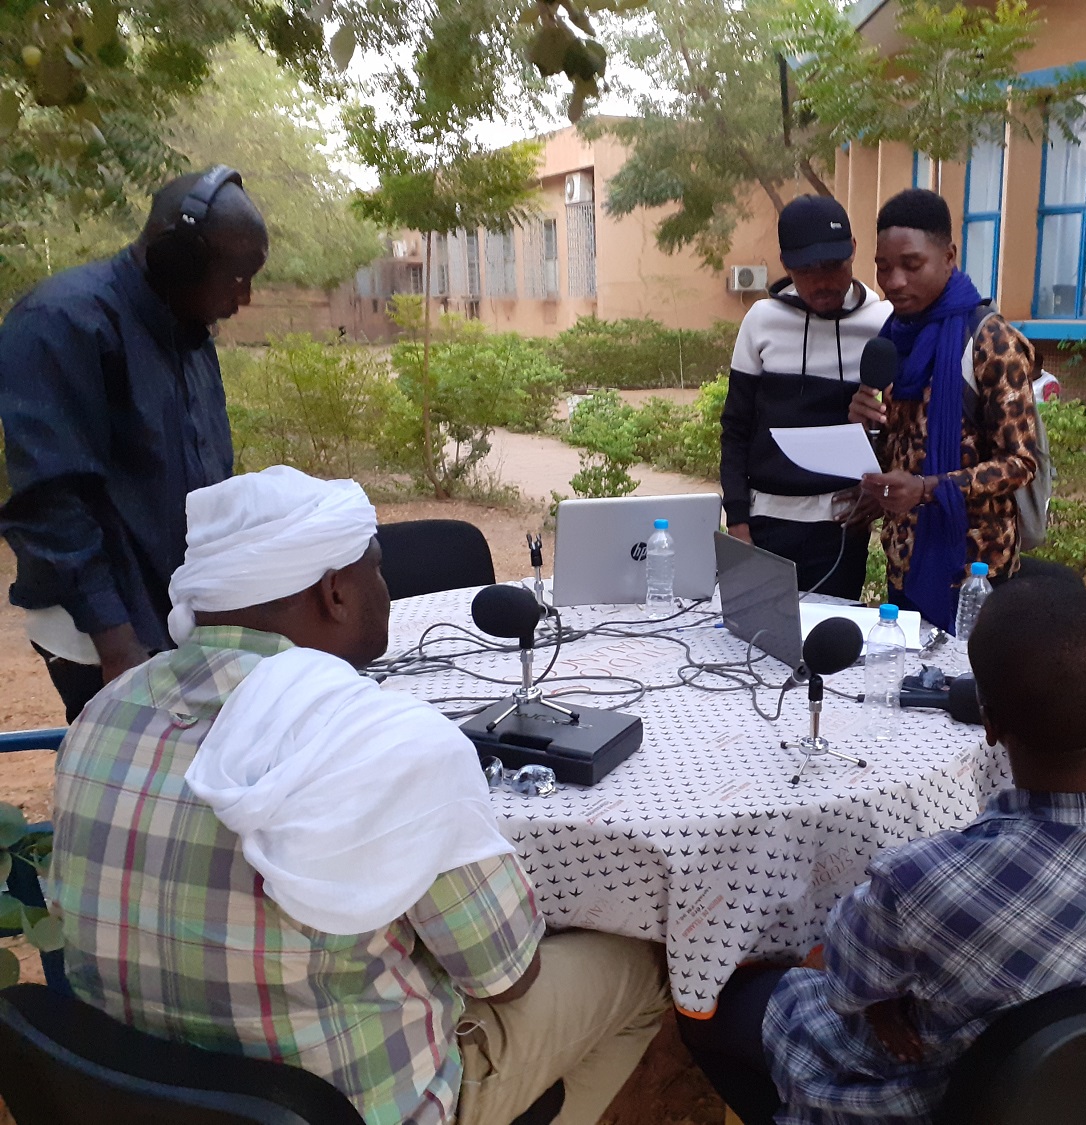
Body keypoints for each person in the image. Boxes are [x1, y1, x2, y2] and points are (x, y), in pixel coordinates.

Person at [50, 466, 670, 1125]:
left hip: (138, 1093)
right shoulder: (390, 744)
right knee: (641, 969)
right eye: (376, 567)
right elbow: (507, 976)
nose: (385, 589)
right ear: (336, 593)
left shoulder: (101, 711)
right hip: (353, 1105)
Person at [678, 578, 1086, 1125]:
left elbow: (843, 983)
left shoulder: (924, 883)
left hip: (919, 1101)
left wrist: (884, 999)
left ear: (988, 723)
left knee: (711, 998)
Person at [0, 167, 267, 722]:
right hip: (103, 632)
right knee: (132, 794)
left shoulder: (187, 328)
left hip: (174, 613)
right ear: (179, 263)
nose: (245, 296)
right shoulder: (62, 322)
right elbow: (52, 504)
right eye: (237, 276)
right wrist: (116, 644)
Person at [847, 189, 1048, 633]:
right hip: (905, 560)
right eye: (882, 267)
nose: (894, 281)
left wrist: (927, 489)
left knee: (962, 696)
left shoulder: (990, 341)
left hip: (975, 570)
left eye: (911, 265)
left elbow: (1022, 463)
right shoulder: (894, 337)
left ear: (949, 257)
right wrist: (865, 430)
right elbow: (902, 451)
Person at [721, 194, 892, 599]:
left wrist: (880, 491)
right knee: (755, 649)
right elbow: (735, 430)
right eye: (805, 269)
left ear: (853, 250)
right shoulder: (761, 321)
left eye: (833, 265)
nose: (822, 282)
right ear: (785, 264)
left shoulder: (883, 324)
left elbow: (901, 432)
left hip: (840, 529)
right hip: (763, 524)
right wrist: (738, 524)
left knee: (827, 653)